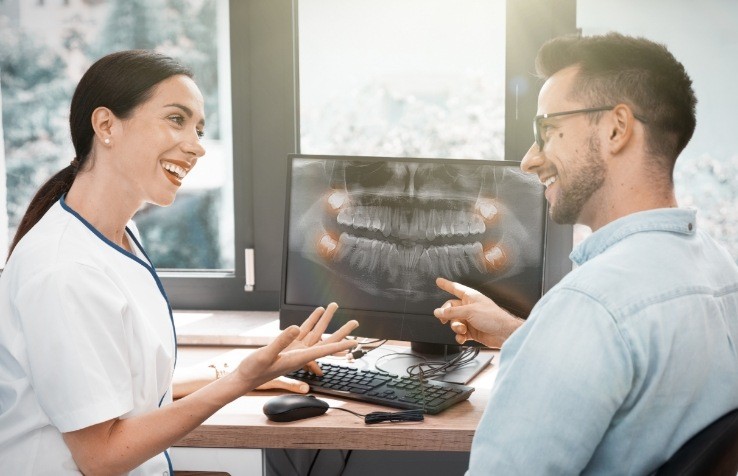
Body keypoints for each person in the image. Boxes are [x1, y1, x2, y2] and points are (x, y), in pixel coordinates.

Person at [0, 50, 358, 475]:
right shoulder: (64, 270)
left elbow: (123, 390)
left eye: (199, 129)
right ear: (106, 125)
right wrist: (237, 384)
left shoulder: (118, 237)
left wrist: (246, 369)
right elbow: (101, 456)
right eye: (176, 119)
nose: (196, 146)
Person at [434, 32, 738, 474]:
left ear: (616, 128)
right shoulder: (720, 272)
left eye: (548, 131)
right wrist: (527, 334)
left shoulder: (590, 307)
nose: (528, 160)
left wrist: (557, 328)